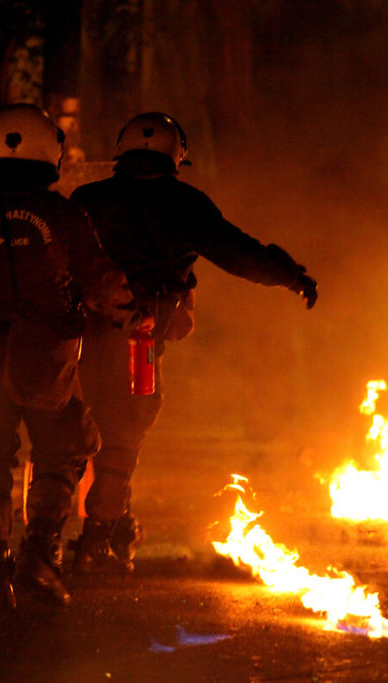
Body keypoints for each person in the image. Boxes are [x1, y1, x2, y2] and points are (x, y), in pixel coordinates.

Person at [0, 103, 140, 608]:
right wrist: (131, 310)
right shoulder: (62, 213)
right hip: (48, 356)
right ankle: (40, 560)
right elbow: (101, 280)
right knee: (61, 454)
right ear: (47, 150)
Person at [69, 112, 319, 574]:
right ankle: (96, 541)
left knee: (70, 436)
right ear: (175, 154)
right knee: (122, 437)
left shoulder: (86, 198)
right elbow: (238, 253)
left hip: (73, 337)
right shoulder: (185, 203)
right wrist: (290, 275)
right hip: (139, 338)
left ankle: (68, 537)